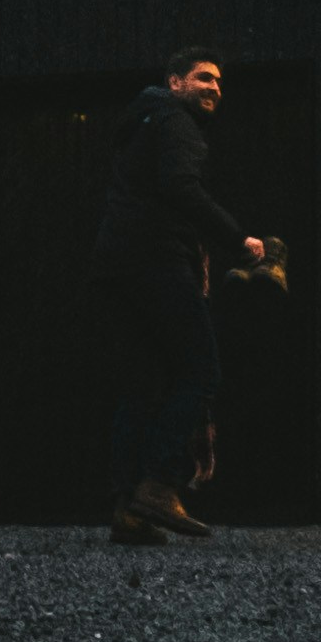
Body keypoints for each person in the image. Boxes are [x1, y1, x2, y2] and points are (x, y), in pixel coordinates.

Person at [94, 52, 266, 542]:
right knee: (200, 371)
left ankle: (128, 511)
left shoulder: (142, 122)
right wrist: (240, 241)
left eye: (219, 81)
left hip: (116, 265)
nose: (215, 88)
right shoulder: (176, 121)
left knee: (141, 383)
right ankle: (160, 484)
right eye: (204, 77)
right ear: (175, 82)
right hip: (156, 263)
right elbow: (181, 187)